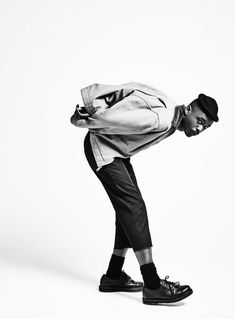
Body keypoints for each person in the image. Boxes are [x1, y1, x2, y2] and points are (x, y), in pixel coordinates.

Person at [70, 82, 219, 305]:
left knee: (129, 209)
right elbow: (115, 119)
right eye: (200, 121)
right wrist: (83, 120)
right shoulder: (161, 119)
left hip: (116, 152)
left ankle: (113, 276)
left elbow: (132, 89)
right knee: (134, 207)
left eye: (204, 127)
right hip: (101, 148)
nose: (199, 129)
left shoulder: (169, 111)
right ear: (189, 109)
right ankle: (152, 284)